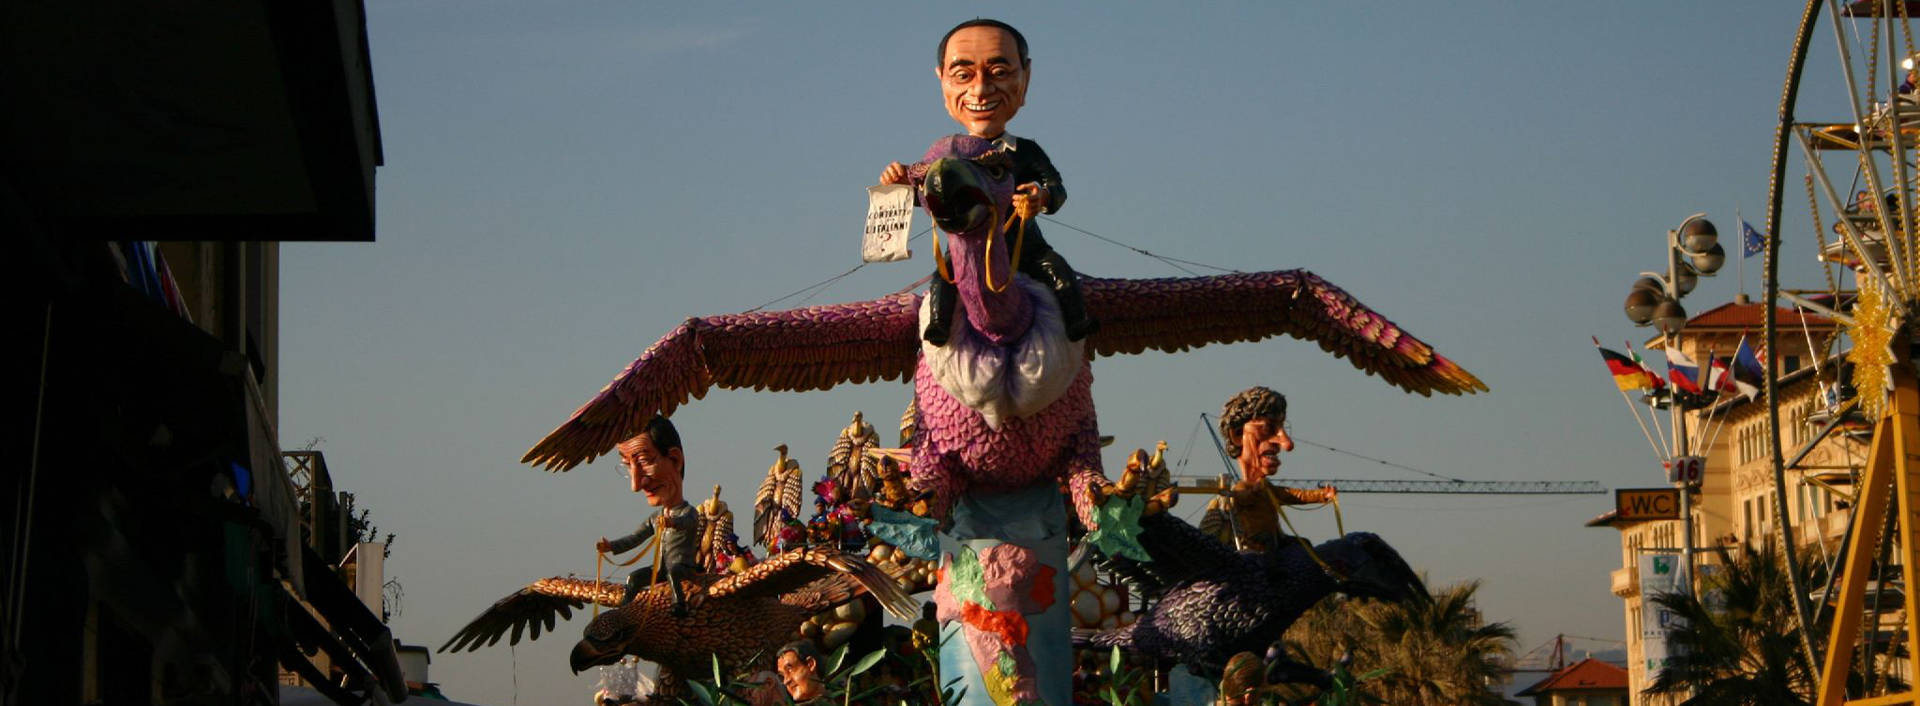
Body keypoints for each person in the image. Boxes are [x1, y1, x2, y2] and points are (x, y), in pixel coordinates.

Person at [878, 19, 1098, 346]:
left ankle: (1076, 321)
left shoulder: (1026, 151)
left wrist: (1041, 196)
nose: (980, 90)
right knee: (944, 277)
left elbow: (1056, 189)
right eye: (963, 75)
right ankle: (938, 326)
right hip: (970, 251)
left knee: (1059, 272)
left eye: (999, 72)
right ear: (942, 81)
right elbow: (929, 195)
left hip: (1024, 245)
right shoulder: (949, 158)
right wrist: (900, 187)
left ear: (1026, 77)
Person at [597, 415, 701, 617]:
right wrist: (610, 546)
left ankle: (679, 605)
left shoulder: (689, 512)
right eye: (627, 467)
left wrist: (671, 522)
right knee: (634, 578)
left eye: (644, 461)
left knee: (673, 575)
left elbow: (686, 523)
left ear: (674, 459)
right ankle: (624, 611)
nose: (636, 485)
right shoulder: (655, 518)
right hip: (661, 569)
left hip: (682, 567)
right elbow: (635, 538)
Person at [1217, 387, 1337, 554]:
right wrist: (1254, 491)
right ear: (1238, 435)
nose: (1287, 444)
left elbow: (1293, 495)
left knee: (1302, 545)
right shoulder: (1241, 488)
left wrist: (1322, 495)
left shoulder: (1268, 489)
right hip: (1256, 542)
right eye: (1268, 428)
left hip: (1275, 538)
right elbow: (1241, 499)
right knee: (1270, 548)